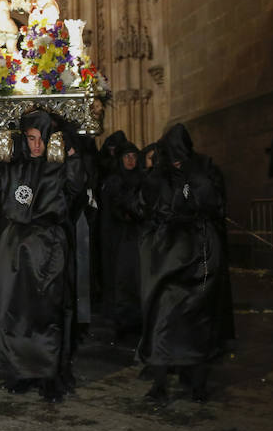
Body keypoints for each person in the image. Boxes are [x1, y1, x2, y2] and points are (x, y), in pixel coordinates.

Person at [0, 109, 85, 403]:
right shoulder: (13, 165)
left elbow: (76, 188)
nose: (37, 146)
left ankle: (49, 373)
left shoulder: (57, 165)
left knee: (48, 310)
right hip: (15, 245)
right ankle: (19, 371)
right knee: (13, 310)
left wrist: (71, 154)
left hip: (48, 243)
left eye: (42, 139)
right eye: (31, 138)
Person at [137, 124, 235, 403]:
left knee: (198, 317)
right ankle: (159, 382)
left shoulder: (203, 168)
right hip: (168, 254)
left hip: (200, 252)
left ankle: (197, 382)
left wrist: (194, 180)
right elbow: (146, 205)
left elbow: (213, 204)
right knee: (163, 316)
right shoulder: (160, 174)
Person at [100, 138, 144, 337]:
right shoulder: (114, 180)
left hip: (137, 235)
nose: (131, 161)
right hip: (118, 235)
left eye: (134, 156)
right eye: (127, 156)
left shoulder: (141, 178)